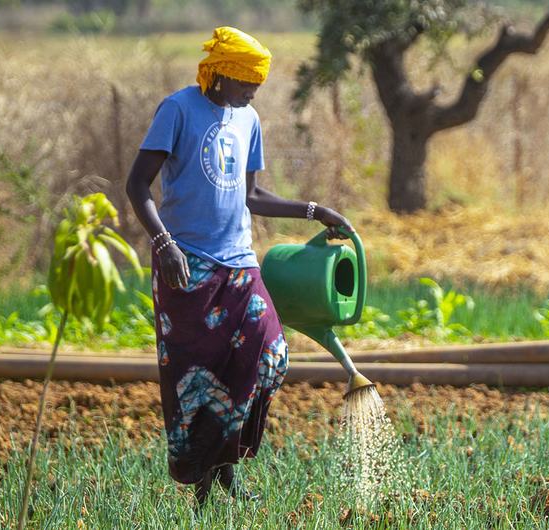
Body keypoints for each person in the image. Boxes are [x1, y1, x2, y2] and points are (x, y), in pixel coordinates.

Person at [125, 26, 352, 507]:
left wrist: (316, 210)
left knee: (270, 356)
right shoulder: (178, 109)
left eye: (257, 84)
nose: (253, 92)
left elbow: (252, 195)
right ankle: (209, 484)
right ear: (222, 75)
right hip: (186, 264)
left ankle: (228, 463)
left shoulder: (247, 119)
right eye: (247, 82)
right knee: (198, 377)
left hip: (239, 262)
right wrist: (164, 243)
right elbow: (137, 185)